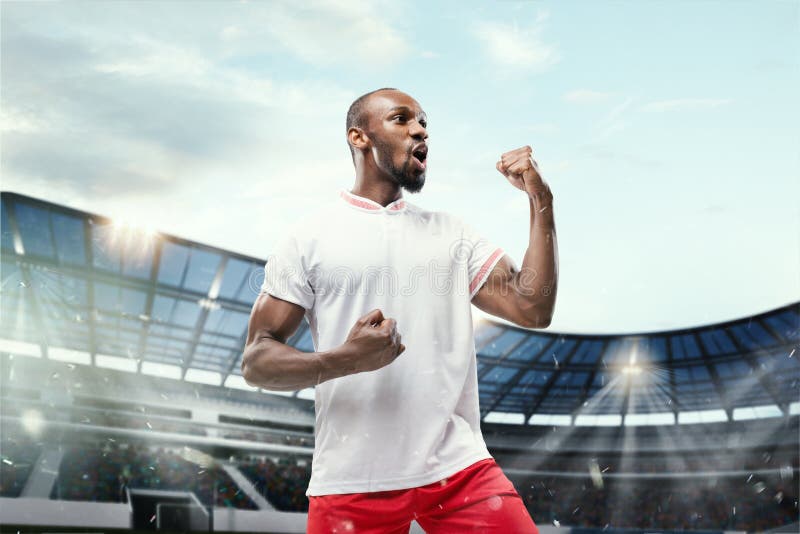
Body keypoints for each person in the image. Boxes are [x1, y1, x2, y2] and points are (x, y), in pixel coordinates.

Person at [242, 88, 558, 533]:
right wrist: (346, 359)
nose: (420, 129)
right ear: (359, 136)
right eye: (401, 119)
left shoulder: (453, 233)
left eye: (424, 121)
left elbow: (533, 307)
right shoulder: (307, 238)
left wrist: (540, 201)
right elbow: (257, 361)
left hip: (458, 469)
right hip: (351, 479)